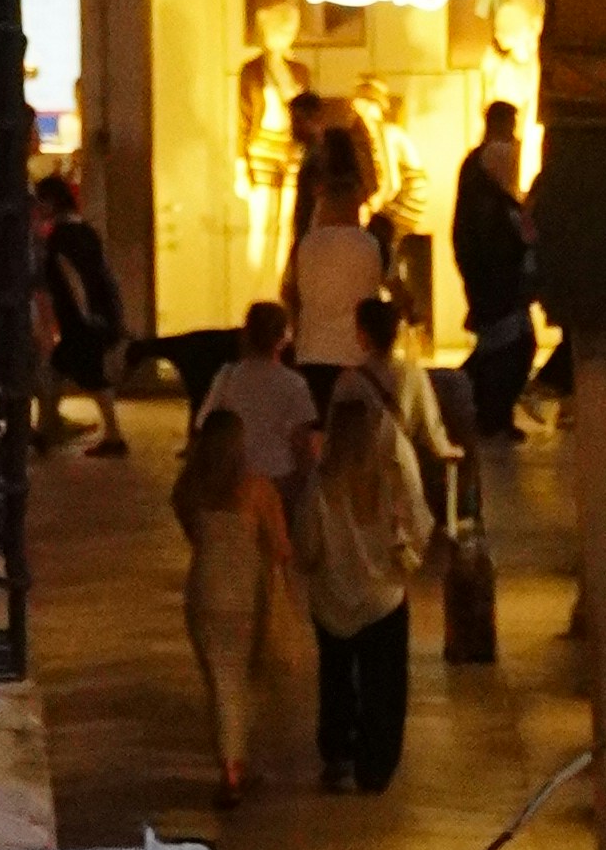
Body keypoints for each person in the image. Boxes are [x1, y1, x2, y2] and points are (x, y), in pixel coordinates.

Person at [300, 358, 432, 795]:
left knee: (335, 676)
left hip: (332, 599)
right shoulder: (391, 469)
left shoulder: (321, 482)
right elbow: (418, 522)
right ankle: (375, 766)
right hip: (384, 597)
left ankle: (337, 751)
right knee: (385, 684)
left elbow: (307, 543)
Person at [171, 390, 295, 803]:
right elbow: (280, 546)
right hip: (248, 594)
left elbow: (192, 531)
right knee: (248, 681)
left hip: (204, 591)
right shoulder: (257, 491)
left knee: (220, 683)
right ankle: (234, 768)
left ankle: (232, 762)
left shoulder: (189, 490)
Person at [452, 101, 536, 441]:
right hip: (497, 281)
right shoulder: (492, 180)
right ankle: (490, 414)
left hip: (488, 278)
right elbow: (495, 240)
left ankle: (481, 409)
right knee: (509, 348)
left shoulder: (475, 172)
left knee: (499, 347)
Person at [30, 171, 126, 456]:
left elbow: (72, 278)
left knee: (89, 377)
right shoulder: (84, 230)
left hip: (81, 321)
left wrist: (84, 314)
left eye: (41, 201)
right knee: (58, 371)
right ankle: (46, 430)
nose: (38, 207)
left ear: (52, 202)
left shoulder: (62, 237)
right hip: (91, 316)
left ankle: (113, 436)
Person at [286, 115, 388, 369]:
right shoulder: (367, 244)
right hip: (356, 355)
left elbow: (289, 292)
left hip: (311, 350)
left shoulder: (310, 240)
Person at [195, 297, 317, 494]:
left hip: (236, 475)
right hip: (279, 475)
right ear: (282, 338)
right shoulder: (294, 383)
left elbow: (204, 423)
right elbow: (300, 440)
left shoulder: (227, 377)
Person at [350, 285, 458, 499]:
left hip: (360, 468)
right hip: (399, 461)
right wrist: (445, 450)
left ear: (362, 335)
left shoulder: (349, 379)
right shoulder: (412, 373)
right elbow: (430, 425)